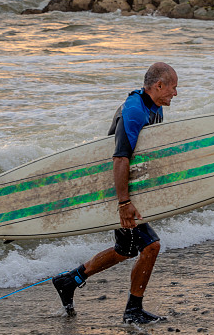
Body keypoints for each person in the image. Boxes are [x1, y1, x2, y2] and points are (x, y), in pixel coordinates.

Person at [53, 62, 178, 324]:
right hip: (119, 191)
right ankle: (133, 312)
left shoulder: (153, 107)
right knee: (151, 246)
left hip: (129, 190)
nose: (175, 94)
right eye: (173, 88)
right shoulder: (134, 111)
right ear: (158, 86)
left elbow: (143, 155)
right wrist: (124, 203)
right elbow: (120, 158)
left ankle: (69, 281)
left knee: (125, 249)